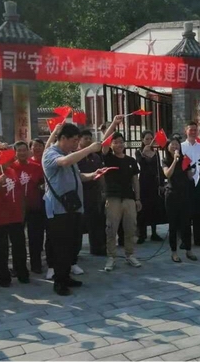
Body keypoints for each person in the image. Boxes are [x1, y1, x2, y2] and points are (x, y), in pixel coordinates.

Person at [43, 123, 109, 296]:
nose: (75, 144)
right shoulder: (51, 154)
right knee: (61, 247)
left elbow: (78, 176)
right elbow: (64, 163)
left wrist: (93, 175)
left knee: (71, 245)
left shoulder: (68, 154)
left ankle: (66, 277)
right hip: (59, 210)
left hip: (73, 207)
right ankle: (59, 282)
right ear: (63, 138)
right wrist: (89, 149)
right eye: (73, 140)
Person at [102, 128, 143, 272]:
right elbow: (103, 143)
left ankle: (130, 254)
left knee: (131, 227)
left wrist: (137, 198)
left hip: (129, 198)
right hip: (113, 198)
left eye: (121, 142)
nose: (119, 145)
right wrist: (113, 124)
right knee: (111, 228)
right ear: (111, 144)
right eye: (116, 142)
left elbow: (135, 181)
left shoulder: (131, 161)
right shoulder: (108, 158)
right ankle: (111, 257)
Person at [0, 159, 29, 287]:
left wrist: (22, 210)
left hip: (15, 215)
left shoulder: (11, 171)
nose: (8, 160)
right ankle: (3, 278)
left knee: (19, 247)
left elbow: (19, 192)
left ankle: (22, 273)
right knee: (1, 250)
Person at [11, 142, 46, 274]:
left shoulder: (37, 167)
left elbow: (42, 184)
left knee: (35, 238)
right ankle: (18, 267)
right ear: (15, 153)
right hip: (16, 209)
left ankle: (36, 264)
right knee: (17, 240)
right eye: (19, 150)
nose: (22, 153)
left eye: (24, 150)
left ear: (28, 151)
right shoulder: (10, 168)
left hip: (34, 207)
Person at [162, 137, 197, 263]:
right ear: (168, 148)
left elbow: (189, 175)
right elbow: (167, 174)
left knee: (186, 224)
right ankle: (174, 252)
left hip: (184, 194)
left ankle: (188, 250)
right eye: (172, 145)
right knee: (173, 225)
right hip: (171, 195)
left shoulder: (185, 159)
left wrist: (193, 170)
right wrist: (175, 161)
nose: (175, 147)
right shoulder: (165, 160)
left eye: (176, 145)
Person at [180, 122, 200, 247]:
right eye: (190, 130)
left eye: (195, 130)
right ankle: (185, 240)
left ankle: (198, 239)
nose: (193, 132)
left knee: (198, 211)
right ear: (186, 131)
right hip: (185, 182)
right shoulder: (181, 146)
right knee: (186, 212)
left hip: (198, 181)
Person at [77, 130, 106, 261]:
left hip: (94, 192)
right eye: (85, 138)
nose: (88, 141)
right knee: (80, 223)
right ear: (79, 140)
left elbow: (101, 175)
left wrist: (103, 190)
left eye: (90, 138)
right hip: (81, 192)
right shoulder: (76, 156)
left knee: (97, 221)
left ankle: (97, 247)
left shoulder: (96, 157)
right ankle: (76, 250)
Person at [135, 131, 164, 243]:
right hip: (143, 183)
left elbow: (158, 168)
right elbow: (141, 164)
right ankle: (142, 234)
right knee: (143, 210)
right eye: (147, 139)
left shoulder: (155, 153)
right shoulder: (139, 152)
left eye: (151, 138)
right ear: (142, 140)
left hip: (154, 183)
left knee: (154, 208)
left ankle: (154, 232)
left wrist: (161, 183)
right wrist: (144, 153)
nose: (149, 141)